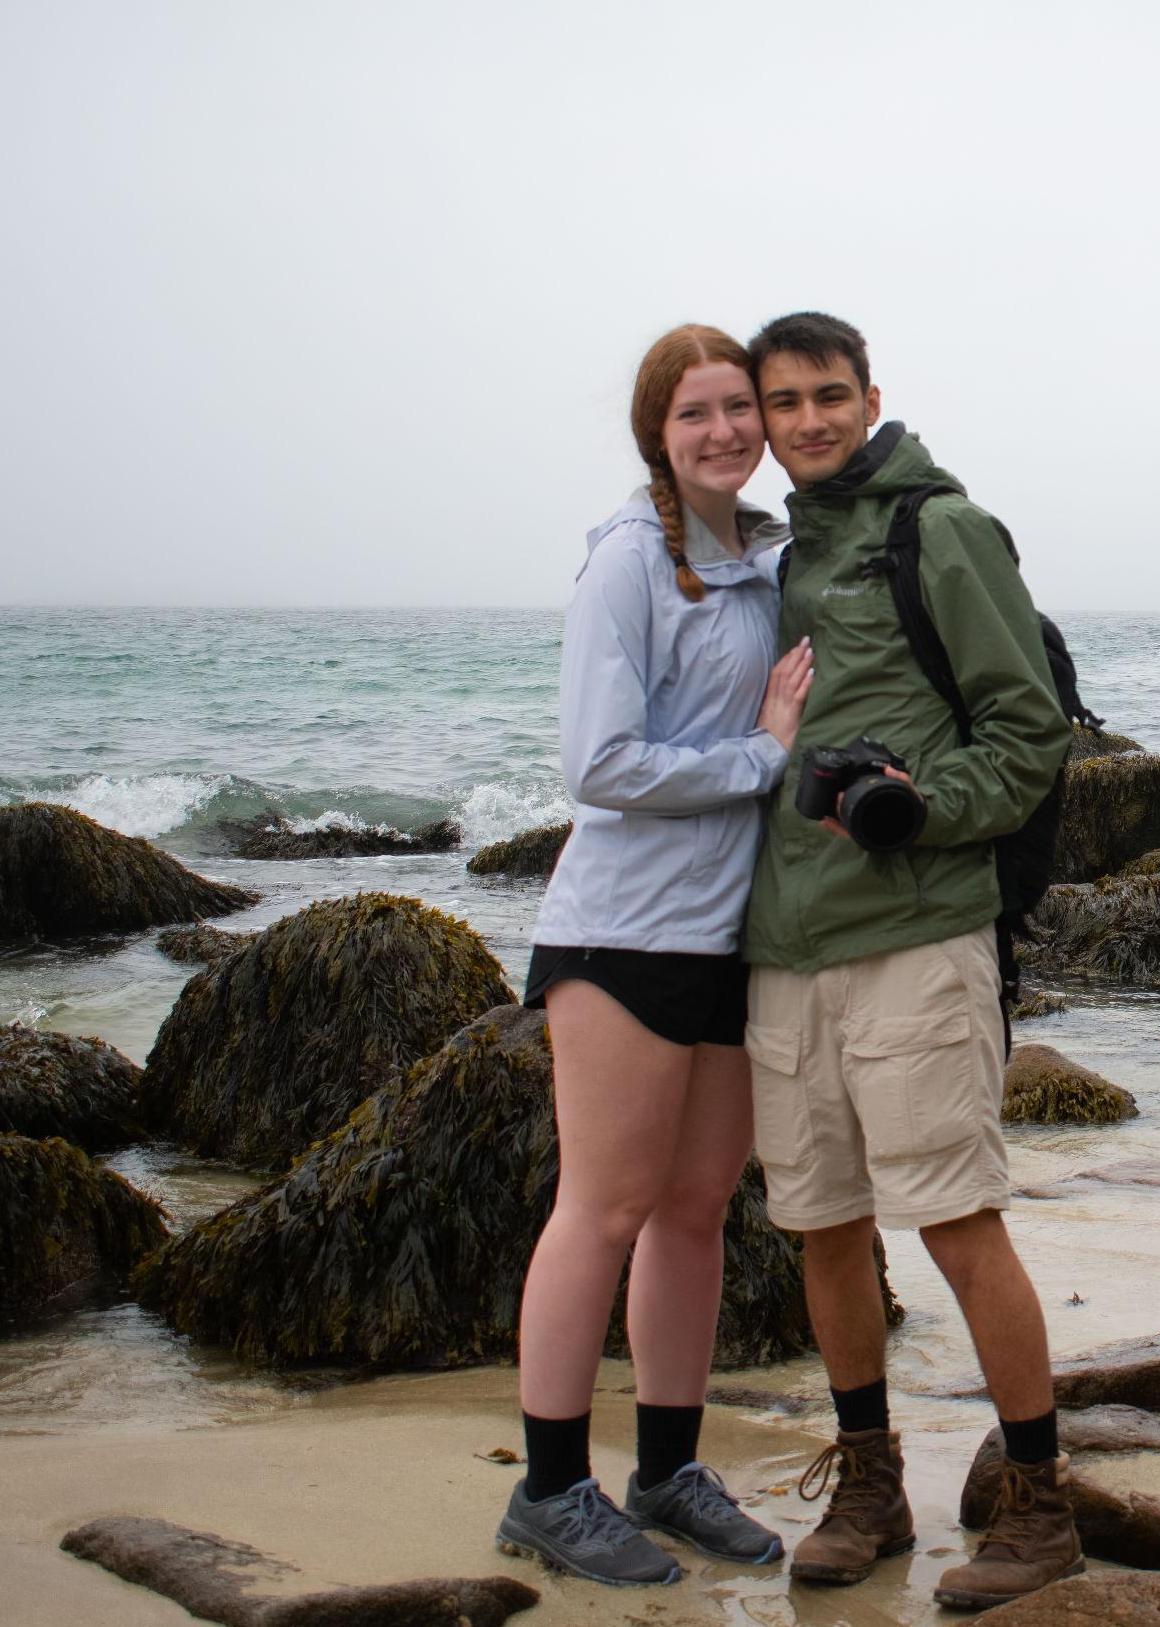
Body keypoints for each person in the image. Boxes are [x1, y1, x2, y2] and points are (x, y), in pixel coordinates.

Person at [741, 312, 1080, 1610]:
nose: (811, 417)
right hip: (786, 946)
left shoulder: (941, 527)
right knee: (822, 1225)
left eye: (830, 394)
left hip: (919, 936)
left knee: (954, 1215)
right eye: (787, 400)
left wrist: (919, 806)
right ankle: (870, 1488)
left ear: (869, 396)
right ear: (764, 418)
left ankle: (1040, 1507)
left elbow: (1027, 727)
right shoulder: (781, 556)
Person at [495, 324, 813, 1587]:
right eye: (697, 414)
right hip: (620, 933)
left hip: (731, 936)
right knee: (603, 1208)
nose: (726, 431)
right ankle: (549, 1489)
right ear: (656, 434)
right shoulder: (626, 564)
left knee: (693, 1213)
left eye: (739, 407)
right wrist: (759, 757)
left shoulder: (769, 556)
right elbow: (597, 763)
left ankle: (667, 1471)